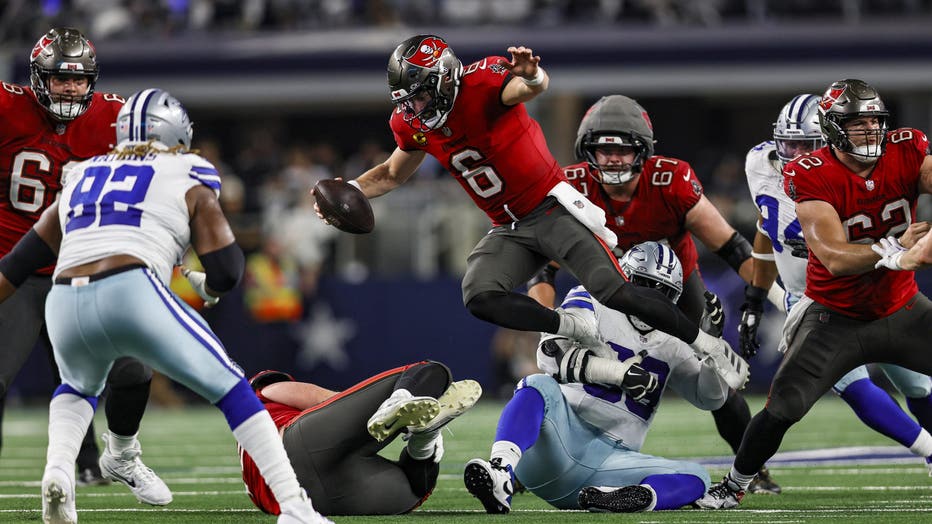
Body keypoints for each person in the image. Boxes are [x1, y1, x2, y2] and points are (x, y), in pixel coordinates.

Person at [321, 34, 742, 386]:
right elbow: (393, 174)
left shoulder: (483, 83)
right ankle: (573, 327)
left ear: (446, 78)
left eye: (421, 96)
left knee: (616, 292)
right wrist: (350, 190)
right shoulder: (410, 122)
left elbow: (531, 87)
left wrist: (533, 74)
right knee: (480, 296)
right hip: (508, 225)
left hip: (552, 208)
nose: (414, 109)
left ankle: (707, 345)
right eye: (407, 101)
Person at [0, 88, 330, 524]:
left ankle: (59, 471)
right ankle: (295, 506)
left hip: (64, 295)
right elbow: (228, 270)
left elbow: (19, 262)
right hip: (129, 286)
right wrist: (209, 285)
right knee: (233, 388)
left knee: (77, 386)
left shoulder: (84, 172)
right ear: (176, 132)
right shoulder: (187, 168)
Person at [525, 94, 780, 494]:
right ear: (586, 151)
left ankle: (752, 469)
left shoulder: (671, 180)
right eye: (602, 149)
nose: (611, 159)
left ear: (641, 150)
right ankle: (543, 457)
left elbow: (730, 247)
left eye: (622, 149)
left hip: (678, 292)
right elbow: (543, 266)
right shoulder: (571, 186)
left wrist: (767, 297)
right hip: (607, 291)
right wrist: (545, 322)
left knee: (717, 381)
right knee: (568, 371)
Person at [696, 79, 932, 510]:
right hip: (825, 306)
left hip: (896, 299)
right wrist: (755, 296)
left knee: (920, 386)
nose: (795, 155)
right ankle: (733, 485)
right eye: (790, 145)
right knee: (785, 403)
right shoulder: (795, 172)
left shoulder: (905, 149)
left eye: (873, 124)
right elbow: (824, 252)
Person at [0, 27, 169, 502]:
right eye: (59, 79)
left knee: (133, 370)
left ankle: (119, 454)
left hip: (81, 272)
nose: (70, 89)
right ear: (37, 78)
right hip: (14, 270)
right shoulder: (7, 108)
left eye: (78, 80)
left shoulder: (118, 118)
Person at [464, 241, 734, 513]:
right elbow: (549, 356)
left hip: (611, 464)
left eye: (663, 292)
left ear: (674, 298)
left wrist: (712, 349)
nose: (651, 298)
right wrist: (618, 374)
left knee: (697, 477)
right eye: (642, 284)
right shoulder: (591, 300)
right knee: (538, 384)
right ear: (623, 278)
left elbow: (710, 398)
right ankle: (501, 471)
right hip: (559, 442)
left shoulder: (673, 342)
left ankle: (630, 497)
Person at [241, 363, 481, 515]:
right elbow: (322, 399)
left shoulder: (248, 466)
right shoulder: (264, 392)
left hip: (307, 501)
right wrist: (367, 408)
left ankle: (424, 436)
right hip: (295, 447)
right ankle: (404, 406)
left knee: (415, 490)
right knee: (432, 372)